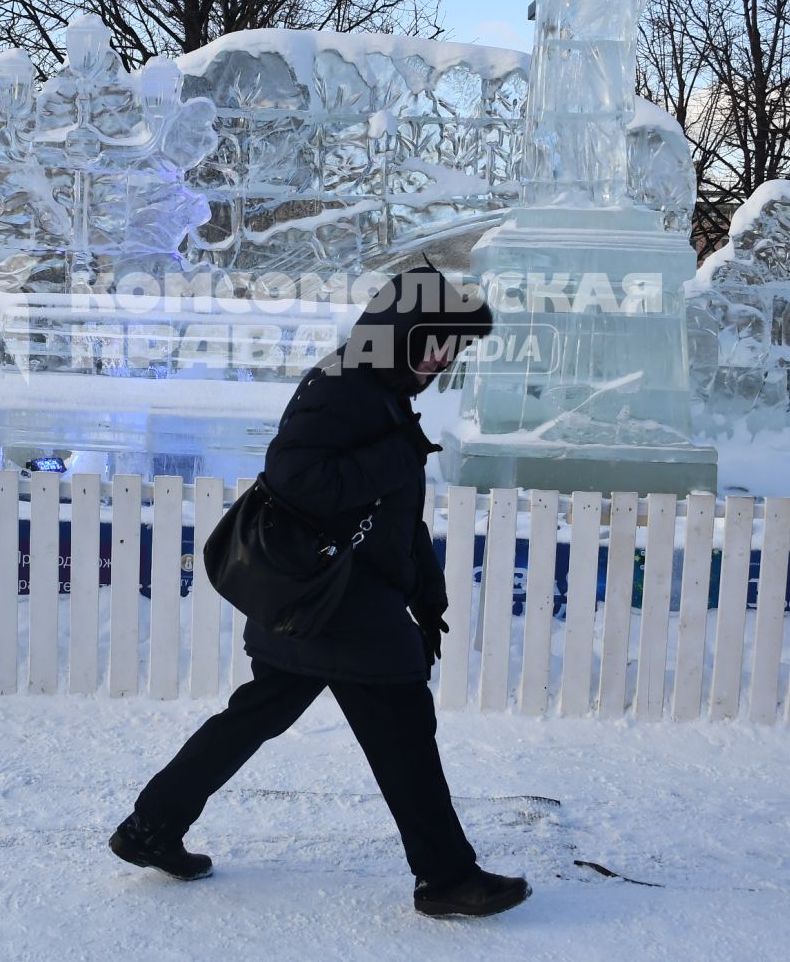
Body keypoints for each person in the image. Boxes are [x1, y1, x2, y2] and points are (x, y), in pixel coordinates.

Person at [108, 265, 532, 919]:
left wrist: (426, 590)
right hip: (338, 605)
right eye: (439, 340)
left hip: (326, 604)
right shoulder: (344, 386)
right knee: (403, 730)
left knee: (256, 716)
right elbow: (296, 477)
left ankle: (151, 827)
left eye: (456, 346)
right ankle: (446, 877)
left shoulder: (383, 394)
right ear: (404, 331)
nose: (446, 357)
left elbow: (393, 514)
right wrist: (399, 453)